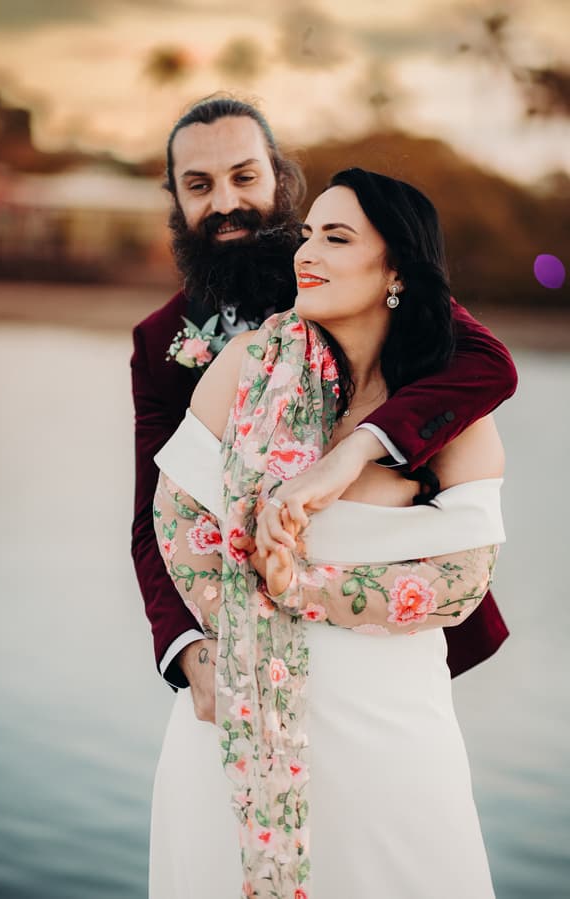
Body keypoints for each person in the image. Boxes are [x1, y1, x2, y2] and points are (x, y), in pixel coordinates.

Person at [148, 168, 507, 897]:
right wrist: (241, 622)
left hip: (392, 731)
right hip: (239, 714)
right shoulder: (248, 365)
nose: (306, 252)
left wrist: (302, 588)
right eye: (307, 234)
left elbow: (463, 579)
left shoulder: (450, 400)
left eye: (336, 238)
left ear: (397, 267)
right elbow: (177, 518)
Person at [130, 96, 517, 723]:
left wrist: (356, 450)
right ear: (175, 199)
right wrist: (191, 650)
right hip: (240, 653)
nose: (225, 202)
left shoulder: (339, 273)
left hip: (391, 633)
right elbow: (155, 511)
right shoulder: (160, 341)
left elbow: (488, 365)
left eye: (244, 176)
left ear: (281, 179)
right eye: (199, 185)